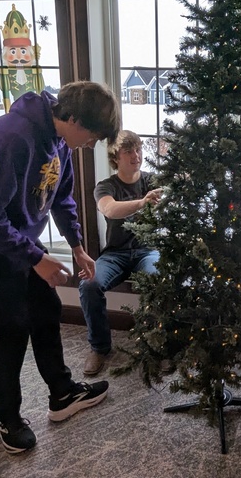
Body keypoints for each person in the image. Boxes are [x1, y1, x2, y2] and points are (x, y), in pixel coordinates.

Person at [0, 82, 120, 454]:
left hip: (15, 234)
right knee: (11, 328)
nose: (91, 145)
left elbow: (61, 196)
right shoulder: (11, 138)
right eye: (91, 136)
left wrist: (77, 248)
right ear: (74, 119)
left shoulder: (60, 141)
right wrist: (37, 258)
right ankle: (4, 418)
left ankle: (62, 394)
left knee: (45, 310)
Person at [79, 130, 162, 375]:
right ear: (116, 158)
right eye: (128, 151)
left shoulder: (152, 181)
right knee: (89, 284)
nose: (136, 156)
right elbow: (110, 209)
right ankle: (99, 348)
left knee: (157, 278)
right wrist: (141, 203)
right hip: (115, 254)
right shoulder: (106, 186)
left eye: (138, 149)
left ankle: (157, 345)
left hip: (147, 251)